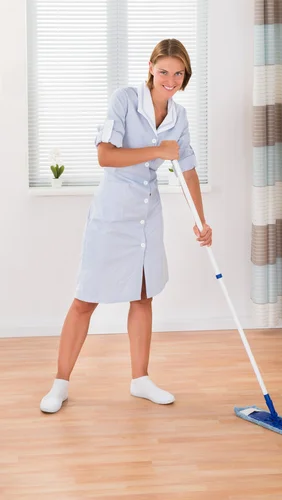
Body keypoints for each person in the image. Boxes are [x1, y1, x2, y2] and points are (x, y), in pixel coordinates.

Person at [40, 39, 212, 414]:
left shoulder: (179, 117)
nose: (170, 79)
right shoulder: (124, 100)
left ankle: (140, 379)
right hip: (113, 211)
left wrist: (201, 221)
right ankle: (60, 383)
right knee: (86, 299)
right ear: (151, 67)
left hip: (147, 213)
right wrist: (156, 150)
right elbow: (105, 156)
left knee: (143, 294)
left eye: (178, 73)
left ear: (185, 77)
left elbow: (188, 169)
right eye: (164, 70)